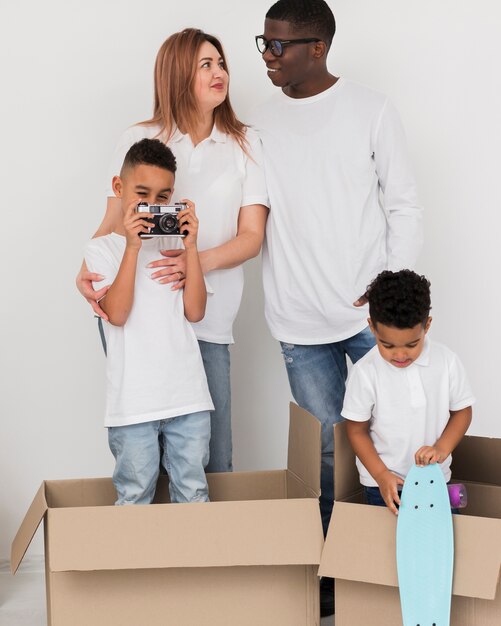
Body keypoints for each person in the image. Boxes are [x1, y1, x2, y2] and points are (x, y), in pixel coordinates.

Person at [252, 0, 423, 614]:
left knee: (399, 437)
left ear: (317, 48)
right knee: (327, 451)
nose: (268, 56)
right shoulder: (260, 124)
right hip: (298, 322)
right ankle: (334, 572)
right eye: (263, 43)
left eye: (278, 45)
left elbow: (402, 203)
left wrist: (390, 290)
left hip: (367, 320)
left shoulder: (371, 110)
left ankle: (398, 562)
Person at [77, 28, 269, 474]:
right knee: (144, 455)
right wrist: (85, 269)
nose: (219, 72)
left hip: (207, 311)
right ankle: (155, 542)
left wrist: (193, 264)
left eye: (221, 63)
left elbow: (251, 237)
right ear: (178, 73)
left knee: (212, 458)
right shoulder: (139, 137)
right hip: (139, 316)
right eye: (206, 64)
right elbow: (112, 221)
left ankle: (207, 543)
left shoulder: (246, 144)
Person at [84, 138, 214, 505]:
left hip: (186, 395)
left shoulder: (175, 245)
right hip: (133, 401)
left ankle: (191, 562)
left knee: (193, 491)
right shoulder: (101, 249)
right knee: (134, 493)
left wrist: (191, 249)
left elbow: (196, 312)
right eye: (142, 195)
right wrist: (132, 246)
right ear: (118, 188)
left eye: (163, 197)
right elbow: (118, 313)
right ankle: (135, 564)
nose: (152, 207)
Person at [343, 269, 474, 516]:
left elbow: (462, 411)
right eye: (388, 345)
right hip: (385, 486)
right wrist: (381, 475)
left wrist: (441, 449)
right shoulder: (365, 372)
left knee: (439, 547)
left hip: (435, 481)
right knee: (389, 551)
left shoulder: (446, 361)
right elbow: (356, 430)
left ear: (427, 326)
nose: (400, 355)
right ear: (371, 327)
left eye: (412, 344)